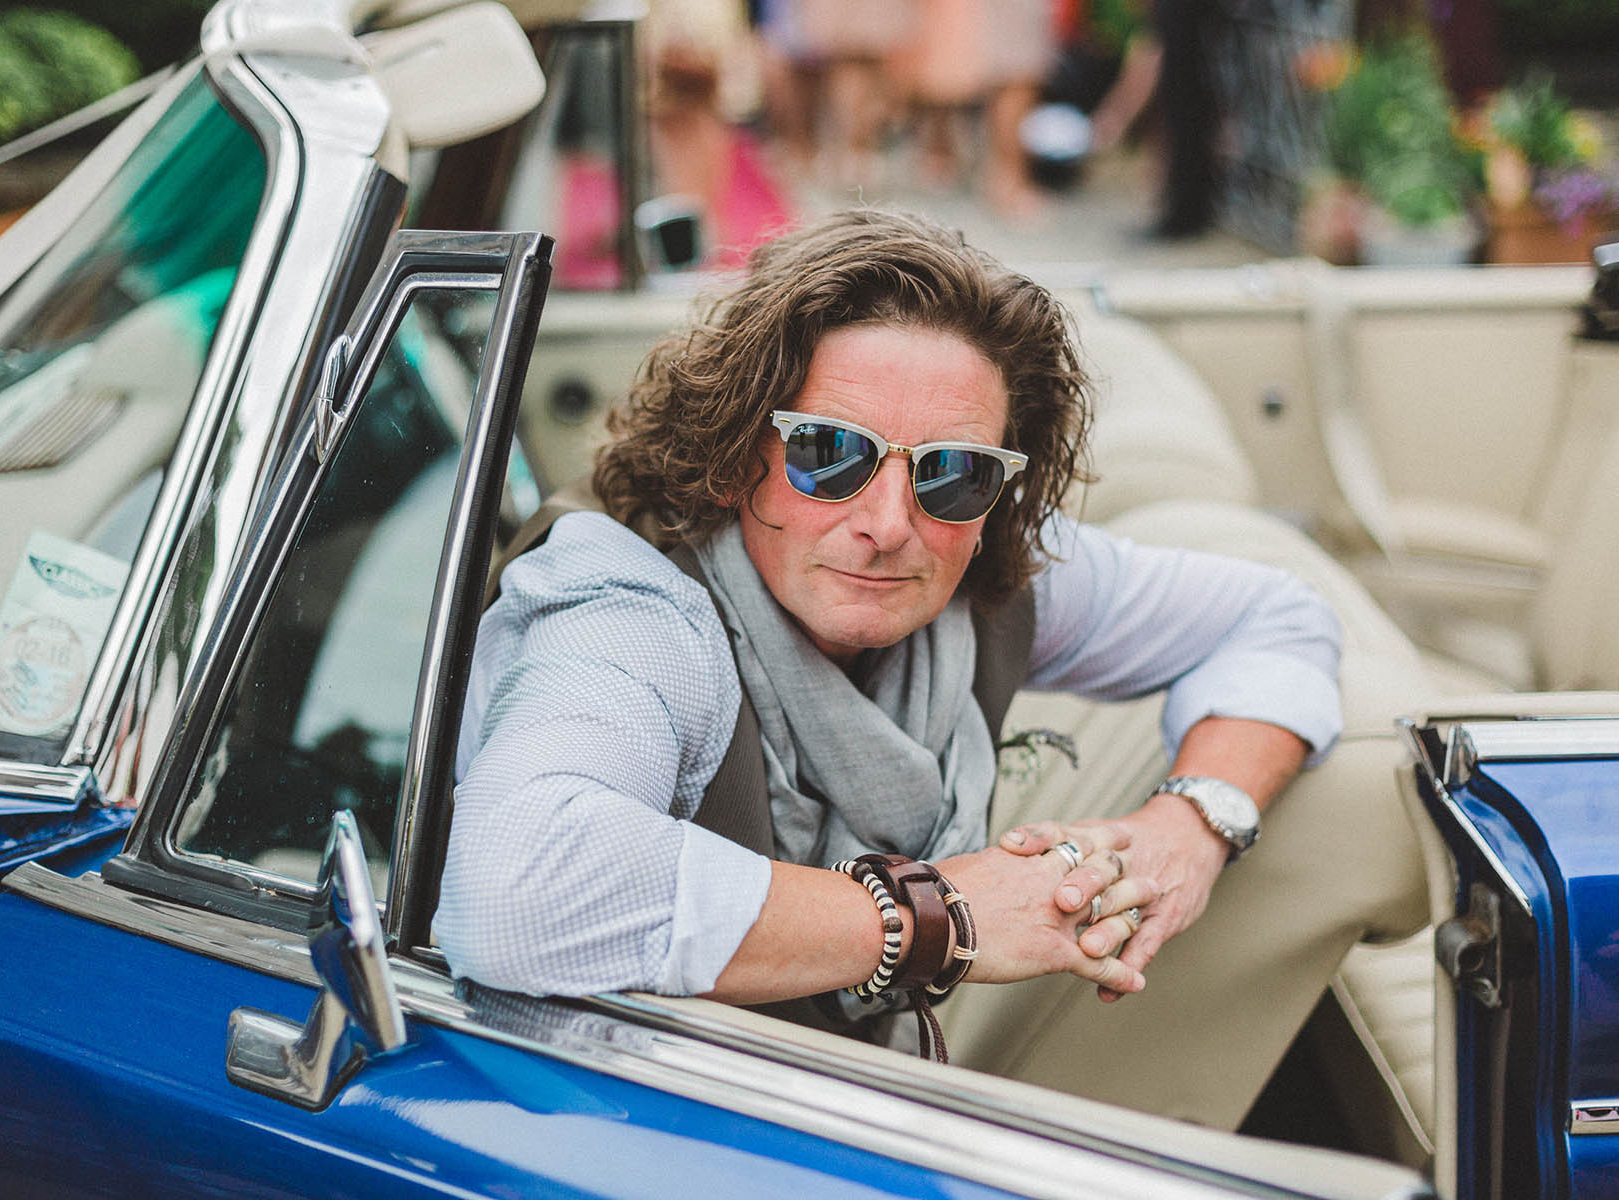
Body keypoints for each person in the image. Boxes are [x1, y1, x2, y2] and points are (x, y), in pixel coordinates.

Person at [438, 209, 1423, 1124]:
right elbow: (512, 890)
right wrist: (937, 916)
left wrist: (1191, 826)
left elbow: (1279, 616)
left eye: (954, 471)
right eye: (831, 453)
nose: (888, 524)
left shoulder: (984, 576)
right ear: (740, 453)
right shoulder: (630, 612)